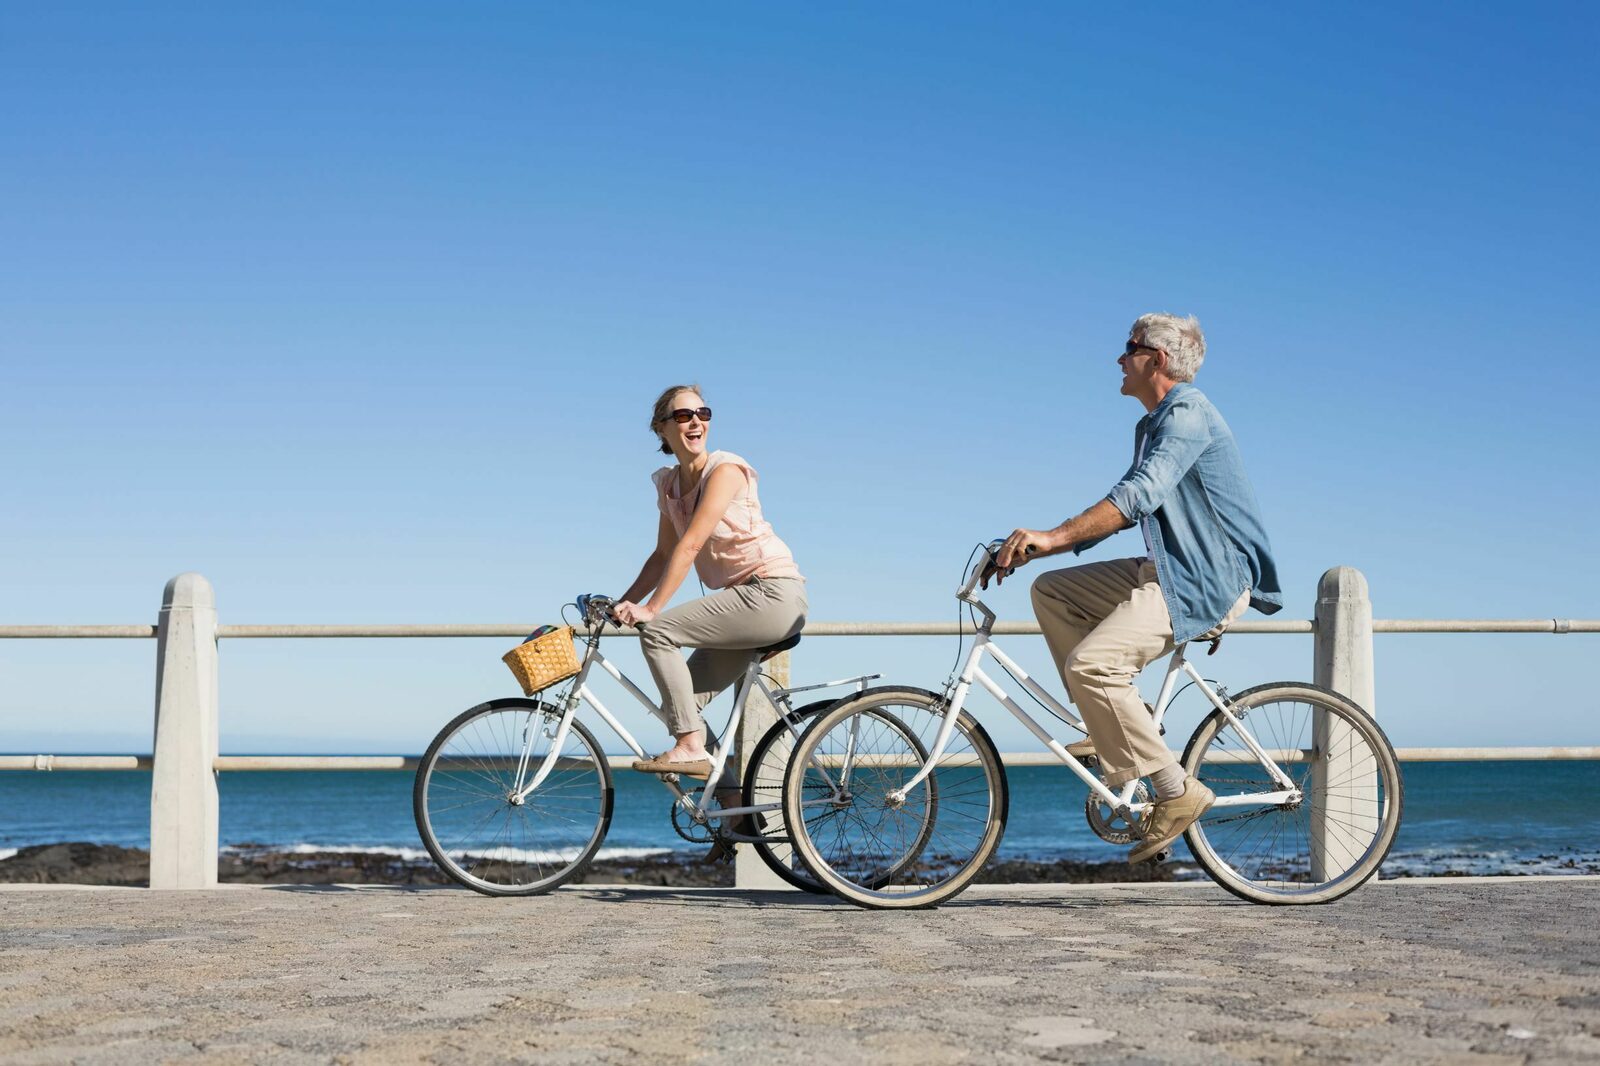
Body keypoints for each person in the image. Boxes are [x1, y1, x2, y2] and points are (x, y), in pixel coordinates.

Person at [990, 313, 1281, 863]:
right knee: (1053, 592)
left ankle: (1176, 790)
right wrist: (1039, 552)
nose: (1118, 359)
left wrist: (1051, 535)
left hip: (1205, 578)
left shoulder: (1189, 414)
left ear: (1158, 359)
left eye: (1128, 348)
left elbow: (1138, 496)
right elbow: (1131, 508)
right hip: (1170, 569)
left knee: (1093, 666)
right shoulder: (1152, 424)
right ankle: (1120, 728)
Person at [613, 384, 807, 804]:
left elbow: (691, 545)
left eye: (702, 412)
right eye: (683, 416)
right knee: (678, 704)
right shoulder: (669, 485)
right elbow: (663, 554)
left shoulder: (726, 469)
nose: (696, 421)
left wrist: (652, 610)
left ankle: (690, 747)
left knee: (659, 633)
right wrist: (620, 603)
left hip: (771, 594)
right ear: (661, 428)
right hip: (741, 605)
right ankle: (736, 810)